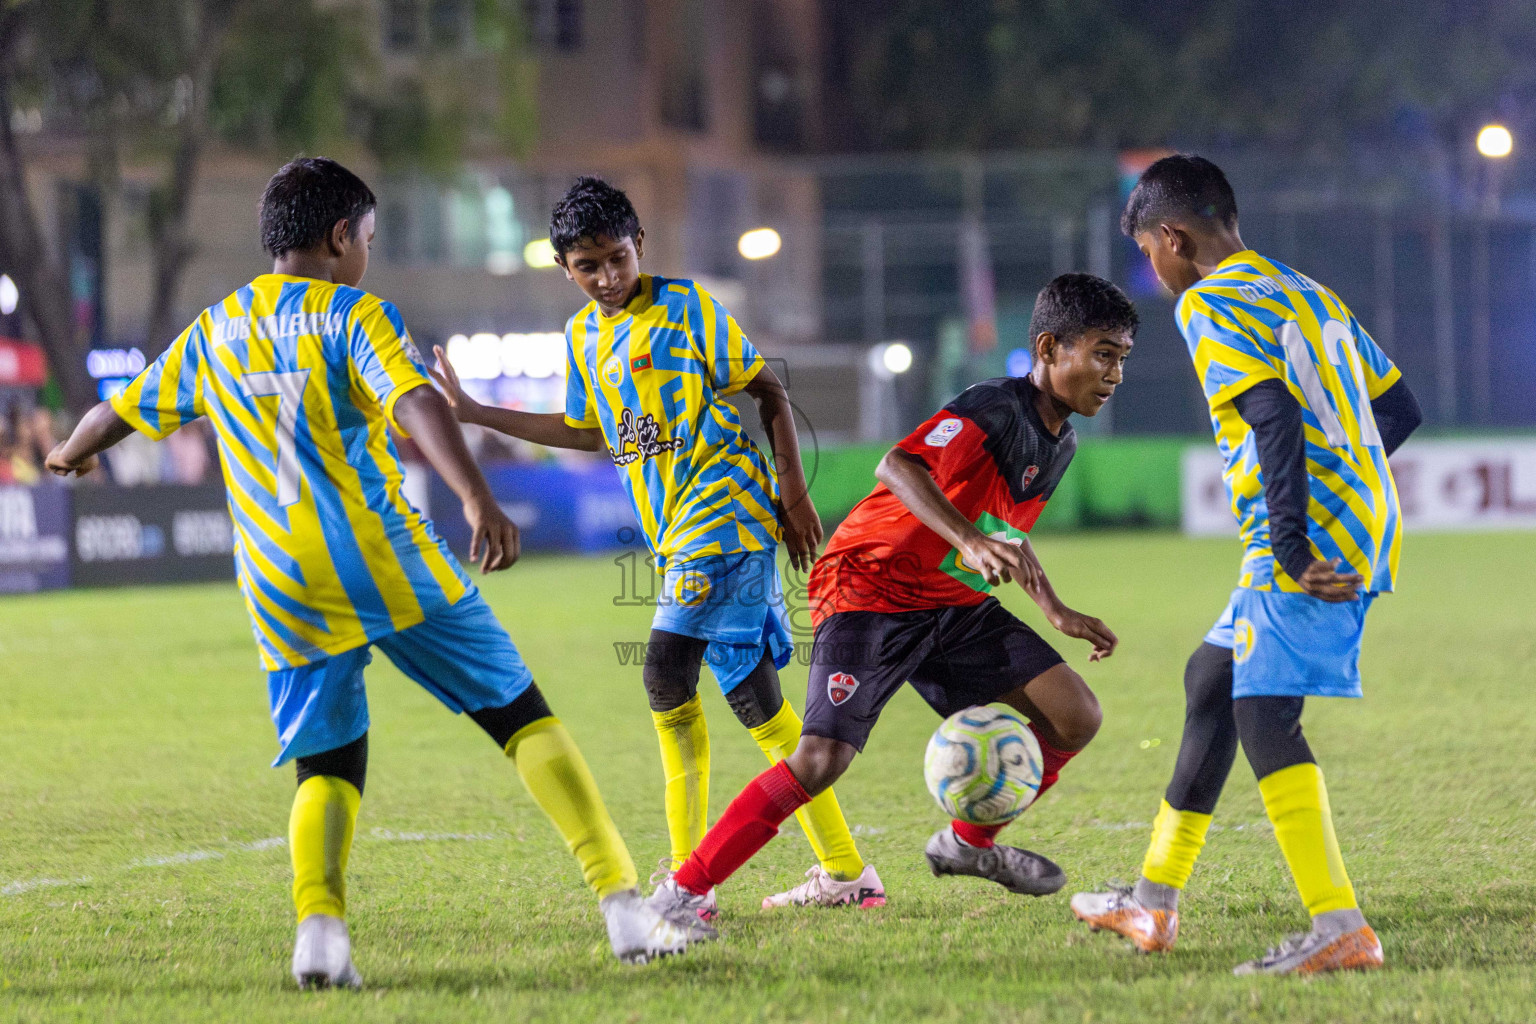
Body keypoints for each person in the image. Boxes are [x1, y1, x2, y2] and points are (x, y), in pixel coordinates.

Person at [45, 157, 702, 988]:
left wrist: (68, 449)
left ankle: (320, 935)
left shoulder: (215, 328)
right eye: (368, 238)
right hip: (378, 554)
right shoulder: (354, 313)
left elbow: (119, 409)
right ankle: (623, 908)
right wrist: (475, 495)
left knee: (325, 764)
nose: (368, 254)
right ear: (338, 238)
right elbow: (415, 399)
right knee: (520, 715)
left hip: (279, 580)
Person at [429, 176, 881, 914]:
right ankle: (844, 871)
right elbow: (587, 430)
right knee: (756, 705)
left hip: (725, 516)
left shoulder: (688, 309)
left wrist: (793, 494)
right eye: (589, 266)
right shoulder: (583, 338)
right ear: (565, 268)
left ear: (641, 242)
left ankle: (686, 884)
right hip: (678, 537)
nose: (608, 277)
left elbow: (766, 391)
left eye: (618, 258)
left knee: (665, 677)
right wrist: (479, 412)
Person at [646, 273, 1134, 931]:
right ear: (1049, 348)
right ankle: (683, 894)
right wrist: (965, 538)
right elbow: (897, 467)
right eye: (1103, 353)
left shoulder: (1061, 441)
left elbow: (1004, 533)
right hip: (868, 587)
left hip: (951, 603)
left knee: (1076, 715)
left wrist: (1054, 609)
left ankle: (968, 844)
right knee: (821, 759)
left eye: (1122, 358)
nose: (1115, 373)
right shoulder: (992, 406)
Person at [1071, 155, 1423, 976]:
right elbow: (1397, 407)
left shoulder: (1211, 301)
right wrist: (1350, 486)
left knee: (1266, 716)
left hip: (1300, 541)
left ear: (1174, 237)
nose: (1153, 274)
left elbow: (1269, 416)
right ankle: (1152, 903)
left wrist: (1297, 545)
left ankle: (1341, 928)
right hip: (1349, 521)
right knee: (1212, 681)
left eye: (1150, 255)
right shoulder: (1302, 287)